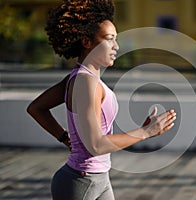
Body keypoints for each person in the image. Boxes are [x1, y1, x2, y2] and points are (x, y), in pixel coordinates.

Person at [26, 0, 176, 199]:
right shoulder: (86, 82)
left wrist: (65, 138)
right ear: (87, 42)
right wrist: (146, 132)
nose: (116, 46)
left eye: (116, 39)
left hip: (98, 178)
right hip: (82, 182)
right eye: (109, 39)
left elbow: (36, 108)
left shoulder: (81, 77)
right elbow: (95, 145)